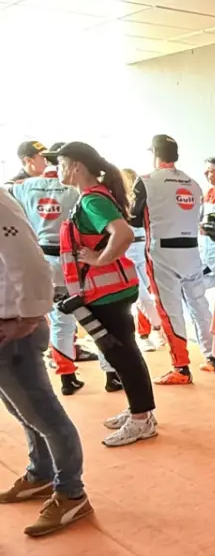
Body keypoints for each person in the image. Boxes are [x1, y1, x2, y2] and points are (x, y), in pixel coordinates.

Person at [50, 141, 158, 447]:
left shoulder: (92, 201)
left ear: (76, 166)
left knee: (122, 354)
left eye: (60, 164)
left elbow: (122, 233)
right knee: (124, 353)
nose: (57, 170)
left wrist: (99, 260)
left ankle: (141, 419)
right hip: (109, 290)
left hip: (108, 293)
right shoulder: (91, 197)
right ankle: (141, 411)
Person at [0, 190, 92, 535]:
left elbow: (29, 262)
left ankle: (71, 493)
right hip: (9, 323)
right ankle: (41, 473)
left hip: (13, 327)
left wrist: (28, 316)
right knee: (23, 411)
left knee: (44, 415)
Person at [6, 140, 111, 393]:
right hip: (75, 260)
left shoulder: (24, 187)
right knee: (97, 318)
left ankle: (67, 378)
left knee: (60, 320)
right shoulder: (76, 188)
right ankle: (111, 374)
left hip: (44, 259)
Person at [131, 134, 215, 381]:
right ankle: (212, 356)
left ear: (155, 154)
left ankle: (181, 367)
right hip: (191, 251)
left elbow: (134, 219)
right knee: (199, 305)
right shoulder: (193, 183)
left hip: (162, 253)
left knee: (170, 310)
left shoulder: (146, 181)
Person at [120, 166, 164, 353]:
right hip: (127, 253)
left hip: (144, 251)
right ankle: (154, 328)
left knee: (150, 295)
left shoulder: (143, 201)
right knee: (142, 296)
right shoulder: (117, 202)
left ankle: (149, 332)